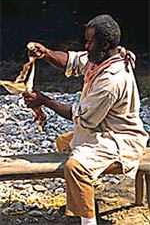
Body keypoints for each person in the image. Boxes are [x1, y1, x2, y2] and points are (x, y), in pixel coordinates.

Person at [24, 14, 148, 225]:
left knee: (75, 167)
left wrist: (44, 100)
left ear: (105, 44)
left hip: (120, 139)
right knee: (64, 142)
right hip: (102, 129)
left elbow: (81, 116)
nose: (86, 45)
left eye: (89, 42)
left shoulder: (112, 81)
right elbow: (71, 61)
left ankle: (88, 221)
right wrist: (45, 53)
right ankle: (83, 203)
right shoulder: (102, 58)